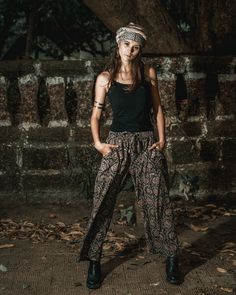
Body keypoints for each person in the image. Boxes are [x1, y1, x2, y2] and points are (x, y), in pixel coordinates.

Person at [76, 22, 181, 289]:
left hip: (146, 145)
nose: (130, 50)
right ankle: (95, 261)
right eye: (126, 44)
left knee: (159, 200)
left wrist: (162, 141)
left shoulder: (148, 73)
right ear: (118, 44)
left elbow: (158, 109)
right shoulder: (105, 78)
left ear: (140, 49)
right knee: (102, 201)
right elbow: (96, 115)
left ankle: (172, 257)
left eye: (136, 47)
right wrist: (99, 143)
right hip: (117, 145)